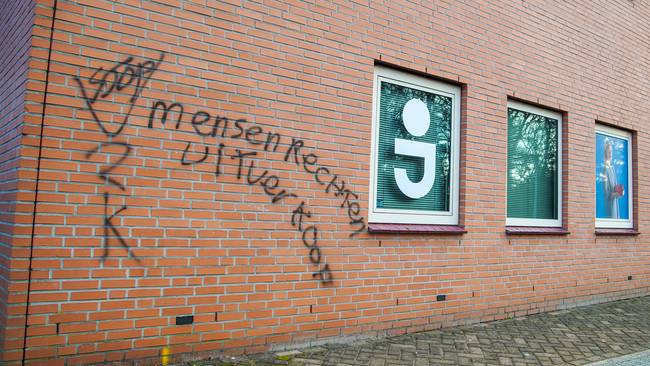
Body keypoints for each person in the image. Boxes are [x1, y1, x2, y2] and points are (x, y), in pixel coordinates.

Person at [602, 139, 624, 218]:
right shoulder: (605, 169)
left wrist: (620, 192)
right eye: (608, 151)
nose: (611, 153)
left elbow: (615, 189)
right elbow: (606, 194)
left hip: (615, 206)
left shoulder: (612, 168)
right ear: (605, 153)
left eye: (611, 151)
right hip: (610, 208)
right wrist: (616, 194)